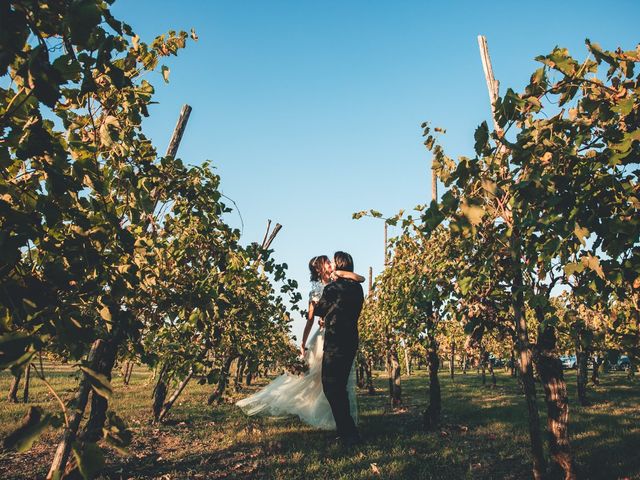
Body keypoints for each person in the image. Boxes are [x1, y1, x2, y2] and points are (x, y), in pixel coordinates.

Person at [235, 255, 364, 430]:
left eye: (330, 261)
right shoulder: (319, 289)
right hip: (328, 336)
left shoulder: (340, 282)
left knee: (334, 382)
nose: (330, 264)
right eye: (326, 262)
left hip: (336, 335)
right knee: (322, 381)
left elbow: (358, 279)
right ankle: (334, 420)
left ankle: (339, 423)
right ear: (319, 269)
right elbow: (310, 319)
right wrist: (303, 343)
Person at [313, 251, 365, 447]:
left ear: (340, 265)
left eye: (334, 262)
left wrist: (313, 302)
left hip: (335, 341)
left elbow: (320, 310)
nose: (331, 264)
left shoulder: (333, 288)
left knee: (331, 386)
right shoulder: (358, 289)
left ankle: (349, 434)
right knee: (339, 387)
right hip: (351, 339)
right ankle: (347, 433)